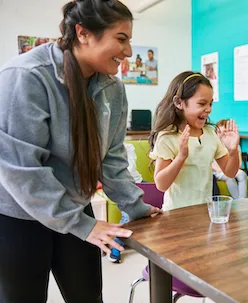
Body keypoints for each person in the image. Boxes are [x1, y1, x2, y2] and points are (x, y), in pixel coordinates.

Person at [0, 1, 161, 302]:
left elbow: (112, 158)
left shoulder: (112, 88)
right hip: (18, 216)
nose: (128, 52)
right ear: (83, 33)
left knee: (88, 296)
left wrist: (136, 207)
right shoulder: (27, 76)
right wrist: (81, 225)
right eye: (121, 39)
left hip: (74, 207)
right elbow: (21, 168)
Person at [149, 71, 240, 211]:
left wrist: (233, 152)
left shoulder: (210, 134)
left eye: (210, 104)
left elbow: (230, 172)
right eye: (202, 103)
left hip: (204, 212)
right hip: (176, 215)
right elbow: (161, 184)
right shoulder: (167, 137)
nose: (208, 109)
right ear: (179, 102)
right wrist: (181, 157)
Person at [212, 119, 248, 199]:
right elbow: (211, 164)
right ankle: (236, 199)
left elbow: (238, 164)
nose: (220, 134)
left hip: (231, 169)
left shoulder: (235, 146)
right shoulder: (214, 145)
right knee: (229, 177)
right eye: (218, 132)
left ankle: (242, 199)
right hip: (217, 172)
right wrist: (224, 169)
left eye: (223, 132)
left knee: (242, 174)